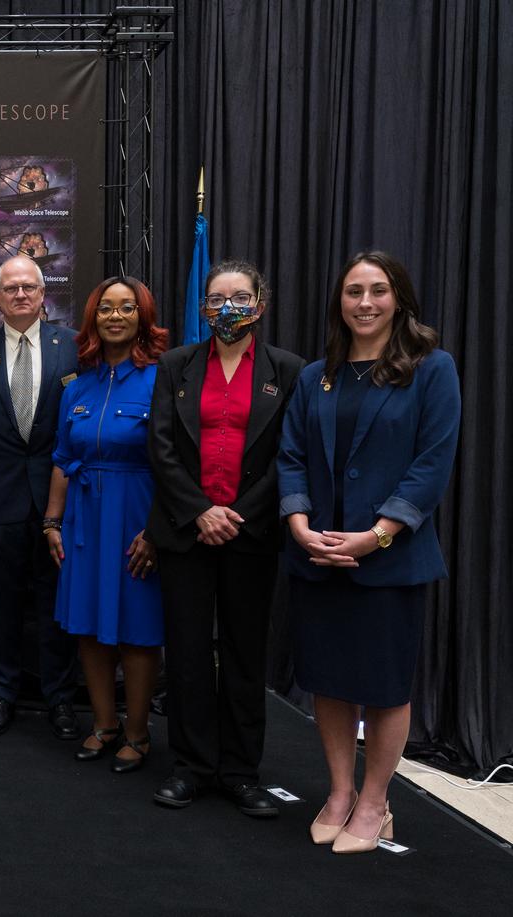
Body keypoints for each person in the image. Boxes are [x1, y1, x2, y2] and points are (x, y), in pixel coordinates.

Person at [278, 251, 460, 853]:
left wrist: (378, 535)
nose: (364, 302)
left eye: (378, 291)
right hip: (319, 554)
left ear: (399, 299)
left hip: (389, 560)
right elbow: (292, 458)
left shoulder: (432, 370)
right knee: (329, 682)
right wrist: (300, 525)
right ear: (340, 301)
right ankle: (338, 792)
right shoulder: (315, 376)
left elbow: (430, 467)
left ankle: (377, 803)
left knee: (383, 687)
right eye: (353, 291)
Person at [146, 259, 305, 816]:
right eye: (217, 298)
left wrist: (235, 513)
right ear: (202, 307)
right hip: (186, 533)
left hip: (251, 533)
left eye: (240, 297)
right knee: (187, 654)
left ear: (260, 304)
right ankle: (189, 766)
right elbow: (160, 449)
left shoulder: (289, 370)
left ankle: (240, 771)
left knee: (244, 654)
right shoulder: (176, 366)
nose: (228, 308)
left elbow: (290, 455)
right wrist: (200, 512)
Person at [0, 255, 82, 740]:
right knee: (1, 605)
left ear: (44, 294)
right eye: (11, 288)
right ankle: (0, 695)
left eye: (29, 287)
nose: (21, 294)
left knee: (57, 604)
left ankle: (61, 699)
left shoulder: (72, 347)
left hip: (59, 502)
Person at [44, 277, 167, 771]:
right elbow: (61, 457)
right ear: (93, 318)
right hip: (83, 518)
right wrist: (52, 522)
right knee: (89, 625)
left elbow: (173, 463)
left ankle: (137, 735)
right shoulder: (79, 383)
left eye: (127, 308)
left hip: (139, 518)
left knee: (137, 628)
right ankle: (103, 725)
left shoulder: (162, 379)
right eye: (106, 309)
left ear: (143, 316)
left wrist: (157, 530)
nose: (115, 316)